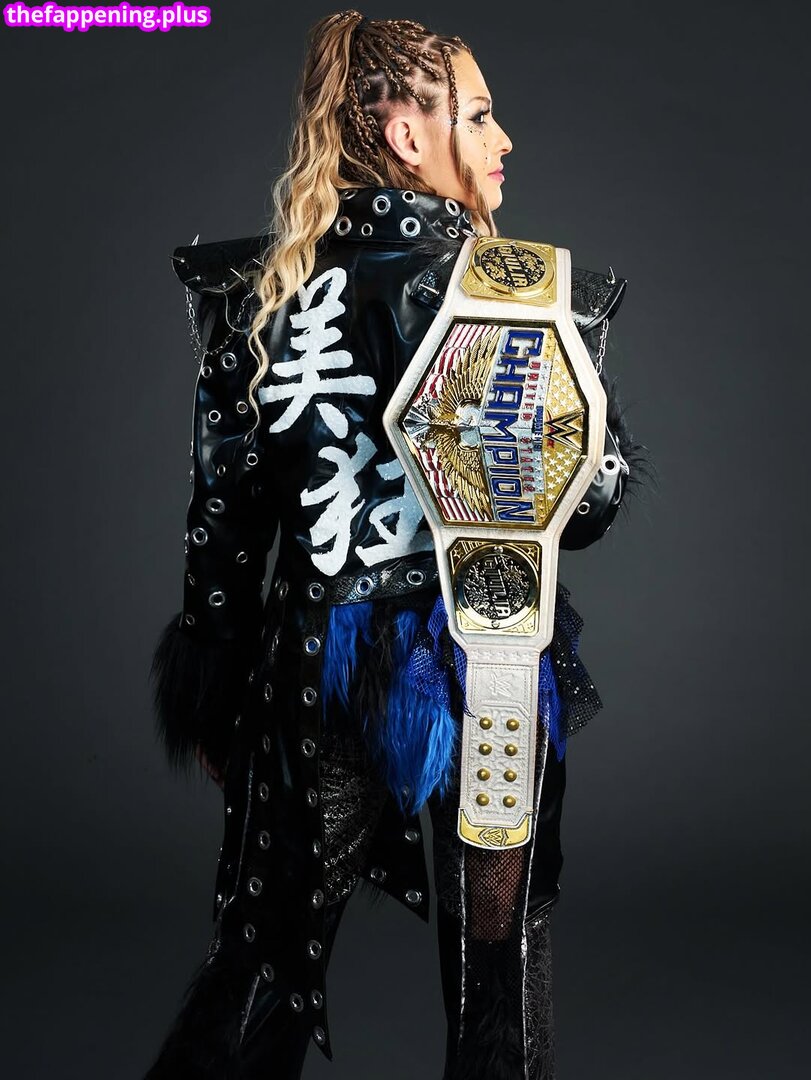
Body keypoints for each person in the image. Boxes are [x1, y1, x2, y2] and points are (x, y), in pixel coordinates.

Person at [144, 10, 650, 1080]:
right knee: (496, 976)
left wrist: (213, 685)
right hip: (484, 667)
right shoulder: (516, 290)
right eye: (479, 114)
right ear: (408, 135)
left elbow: (223, 526)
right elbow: (585, 511)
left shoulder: (258, 290)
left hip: (310, 664)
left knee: (260, 957)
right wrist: (582, 430)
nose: (503, 138)